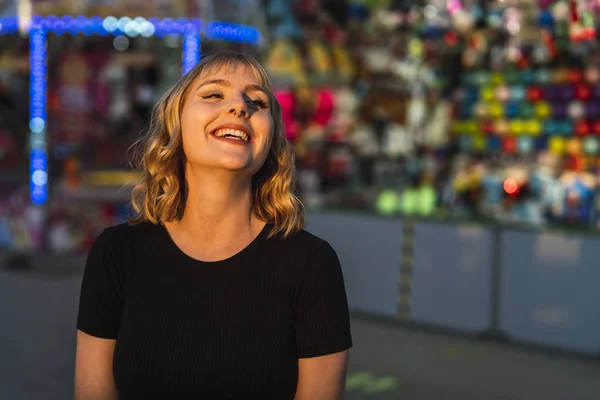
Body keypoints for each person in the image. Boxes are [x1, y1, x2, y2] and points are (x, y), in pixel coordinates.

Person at [74, 51, 353, 400]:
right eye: (213, 95)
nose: (239, 107)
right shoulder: (116, 253)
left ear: (272, 141)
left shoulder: (311, 265)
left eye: (257, 101)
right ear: (175, 125)